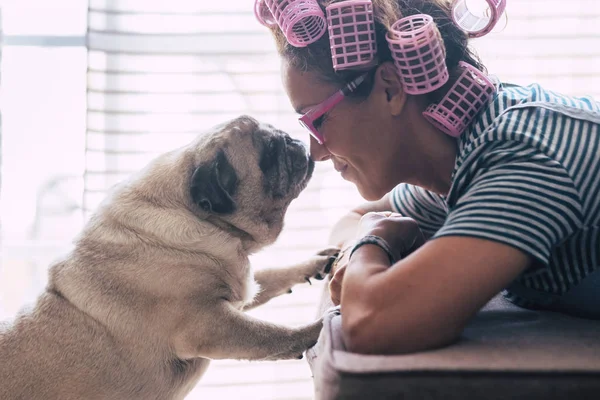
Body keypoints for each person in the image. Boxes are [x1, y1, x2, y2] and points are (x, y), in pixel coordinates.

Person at [260, 0, 600, 355]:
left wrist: (375, 239)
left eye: (317, 119)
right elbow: (354, 218)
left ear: (390, 88)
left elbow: (372, 323)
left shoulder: (522, 155)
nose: (316, 151)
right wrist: (368, 236)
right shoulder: (453, 164)